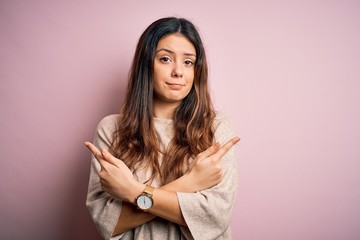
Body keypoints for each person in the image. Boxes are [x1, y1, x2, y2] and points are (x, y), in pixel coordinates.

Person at [85, 17, 240, 240]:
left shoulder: (216, 128)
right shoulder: (111, 130)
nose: (178, 71)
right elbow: (107, 222)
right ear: (146, 64)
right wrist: (190, 183)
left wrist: (131, 191)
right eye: (165, 59)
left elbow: (216, 217)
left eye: (188, 62)